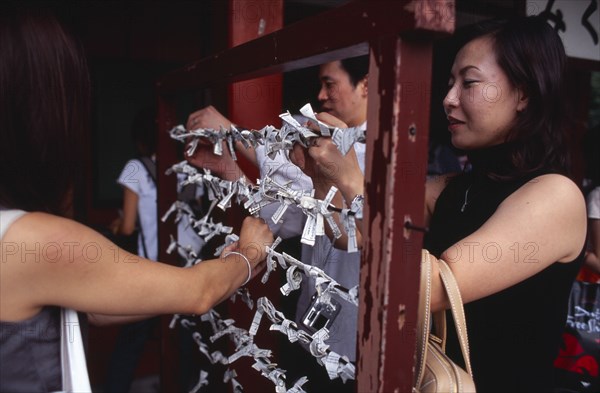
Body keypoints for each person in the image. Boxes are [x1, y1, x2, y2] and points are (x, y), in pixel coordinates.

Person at [0, 5, 273, 392]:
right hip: (172, 259)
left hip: (145, 260)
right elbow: (197, 291)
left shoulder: (132, 169)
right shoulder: (34, 238)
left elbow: (124, 227)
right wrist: (250, 253)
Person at [306, 16, 587, 392]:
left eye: (468, 82)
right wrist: (323, 175)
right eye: (450, 83)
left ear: (524, 94)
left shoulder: (556, 195)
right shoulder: (455, 187)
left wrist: (352, 180)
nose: (448, 98)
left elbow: (433, 287)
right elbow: (349, 235)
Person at [185, 56, 368, 391]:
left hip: (351, 342)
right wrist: (229, 170)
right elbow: (283, 214)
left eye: (330, 83)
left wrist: (231, 131)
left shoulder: (375, 153)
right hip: (308, 323)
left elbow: (294, 185)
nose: (321, 95)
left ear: (365, 86)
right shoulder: (320, 139)